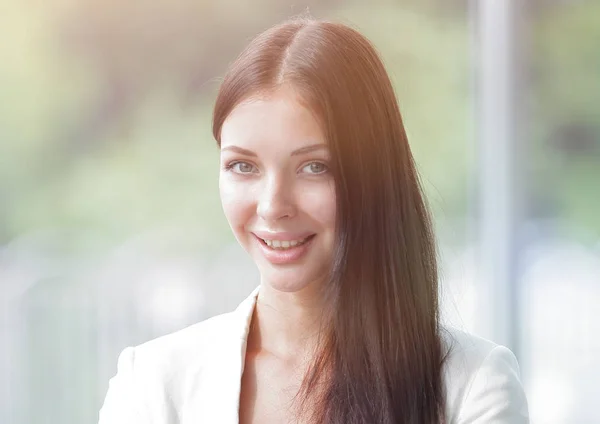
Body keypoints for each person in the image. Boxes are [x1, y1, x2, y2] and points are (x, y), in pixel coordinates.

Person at [98, 17, 530, 424]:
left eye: (314, 167)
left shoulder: (471, 385)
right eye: (243, 167)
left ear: (375, 175)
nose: (272, 206)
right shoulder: (152, 383)